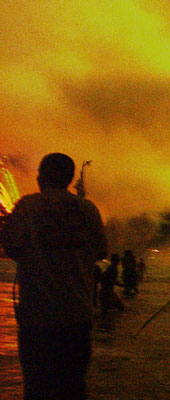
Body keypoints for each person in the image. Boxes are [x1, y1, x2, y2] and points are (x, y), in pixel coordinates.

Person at [0, 153, 107, 400]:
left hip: (38, 316)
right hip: (77, 314)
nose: (36, 177)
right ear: (70, 178)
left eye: (39, 173)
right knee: (74, 386)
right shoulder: (88, 209)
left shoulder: (28, 206)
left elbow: (12, 246)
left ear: (45, 176)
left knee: (37, 385)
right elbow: (100, 250)